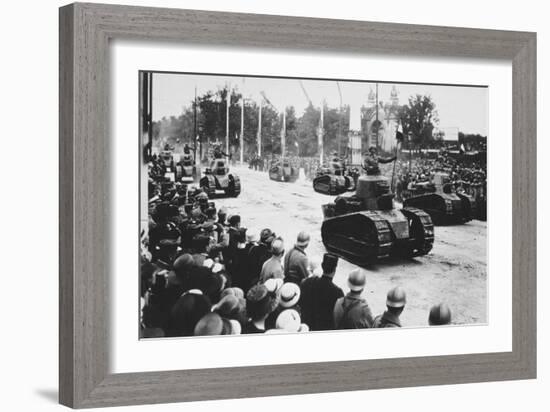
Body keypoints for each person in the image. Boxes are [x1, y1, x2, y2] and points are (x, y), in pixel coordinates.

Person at [299, 253, 344, 331]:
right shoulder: (337, 292)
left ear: (322, 266)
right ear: (334, 269)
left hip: (305, 326)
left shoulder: (308, 282)